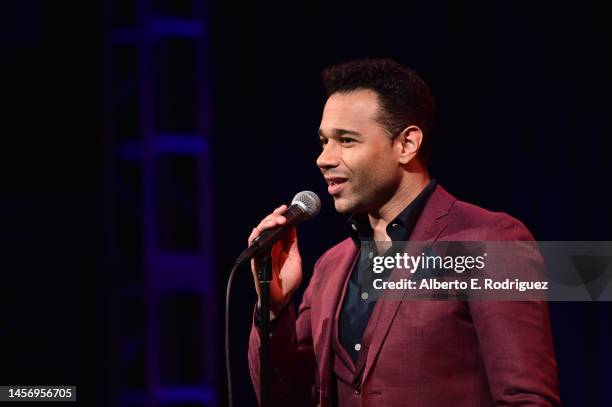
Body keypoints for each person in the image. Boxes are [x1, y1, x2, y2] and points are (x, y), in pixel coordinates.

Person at [247, 59, 560, 406]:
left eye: (346, 141)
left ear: (407, 144)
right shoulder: (330, 268)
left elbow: (527, 399)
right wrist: (273, 308)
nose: (324, 158)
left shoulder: (489, 241)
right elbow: (283, 398)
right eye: (323, 142)